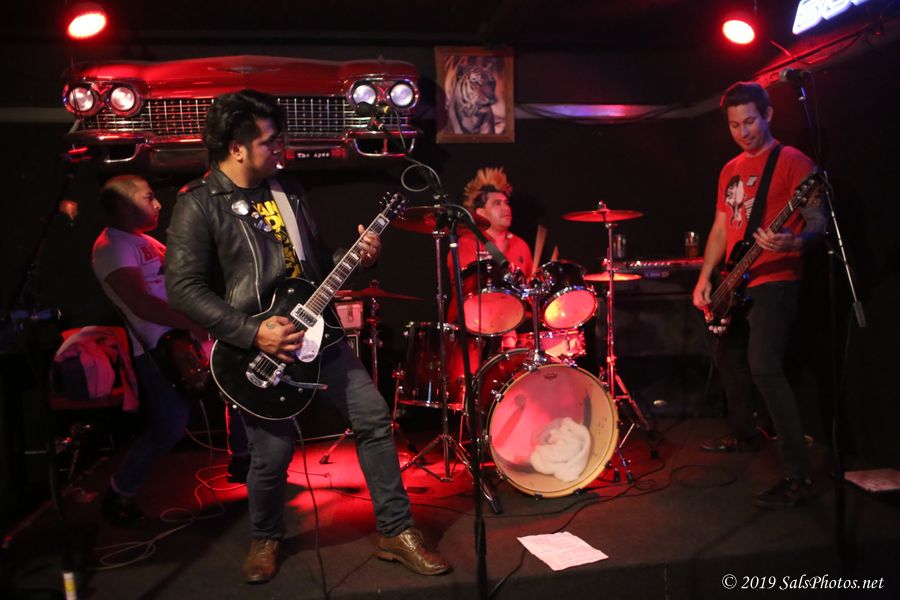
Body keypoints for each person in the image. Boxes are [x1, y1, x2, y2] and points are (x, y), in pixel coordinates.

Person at [165, 89, 450, 584]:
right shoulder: (199, 204)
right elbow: (183, 289)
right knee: (271, 454)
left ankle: (396, 530)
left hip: (322, 332)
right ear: (236, 147)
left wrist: (358, 254)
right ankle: (266, 536)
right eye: (270, 141)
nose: (281, 148)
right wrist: (252, 332)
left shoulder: (288, 190)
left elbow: (312, 263)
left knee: (373, 419)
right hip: (258, 348)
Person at [692, 82, 826, 509]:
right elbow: (721, 228)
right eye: (734, 125)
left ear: (767, 115)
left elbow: (819, 221)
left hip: (776, 278)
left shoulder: (793, 161)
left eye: (749, 121)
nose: (743, 131)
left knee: (765, 367)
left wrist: (796, 241)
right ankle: (746, 433)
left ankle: (799, 477)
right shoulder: (728, 169)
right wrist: (706, 276)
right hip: (738, 278)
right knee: (729, 360)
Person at [91, 175, 206, 525]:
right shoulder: (111, 246)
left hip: (180, 337)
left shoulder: (145, 241)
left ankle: (244, 460)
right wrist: (192, 323)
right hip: (159, 347)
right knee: (170, 424)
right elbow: (140, 303)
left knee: (237, 391)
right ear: (125, 205)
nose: (157, 204)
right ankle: (119, 493)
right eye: (148, 197)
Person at [447, 167, 533, 335]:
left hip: (512, 326)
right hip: (471, 330)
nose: (506, 208)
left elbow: (527, 290)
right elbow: (469, 289)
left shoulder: (521, 245)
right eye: (497, 203)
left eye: (506, 202)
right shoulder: (466, 243)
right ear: (480, 212)